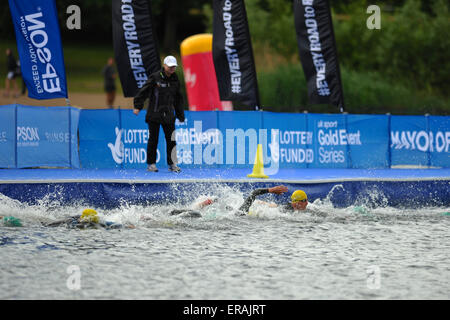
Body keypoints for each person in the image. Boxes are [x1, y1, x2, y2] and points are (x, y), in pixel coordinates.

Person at [133, 55, 185, 173]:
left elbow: (178, 98)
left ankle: (172, 164)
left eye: (174, 67)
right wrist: (138, 106)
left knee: (171, 140)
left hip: (169, 115)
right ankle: (151, 164)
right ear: (164, 66)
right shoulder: (155, 77)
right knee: (153, 139)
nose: (172, 68)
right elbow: (144, 91)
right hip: (154, 114)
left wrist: (180, 115)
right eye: (170, 66)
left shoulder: (175, 79)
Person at [168, 185, 308, 218]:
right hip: (224, 216)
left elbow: (273, 206)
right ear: (297, 203)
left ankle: (204, 204)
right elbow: (253, 194)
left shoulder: (283, 209)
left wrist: (262, 203)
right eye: (305, 201)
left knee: (217, 202)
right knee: (197, 215)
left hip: (225, 213)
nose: (307, 203)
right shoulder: (242, 213)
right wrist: (270, 190)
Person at [45, 208, 135, 229]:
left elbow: (113, 224)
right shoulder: (72, 221)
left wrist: (126, 226)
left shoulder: (99, 222)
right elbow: (51, 224)